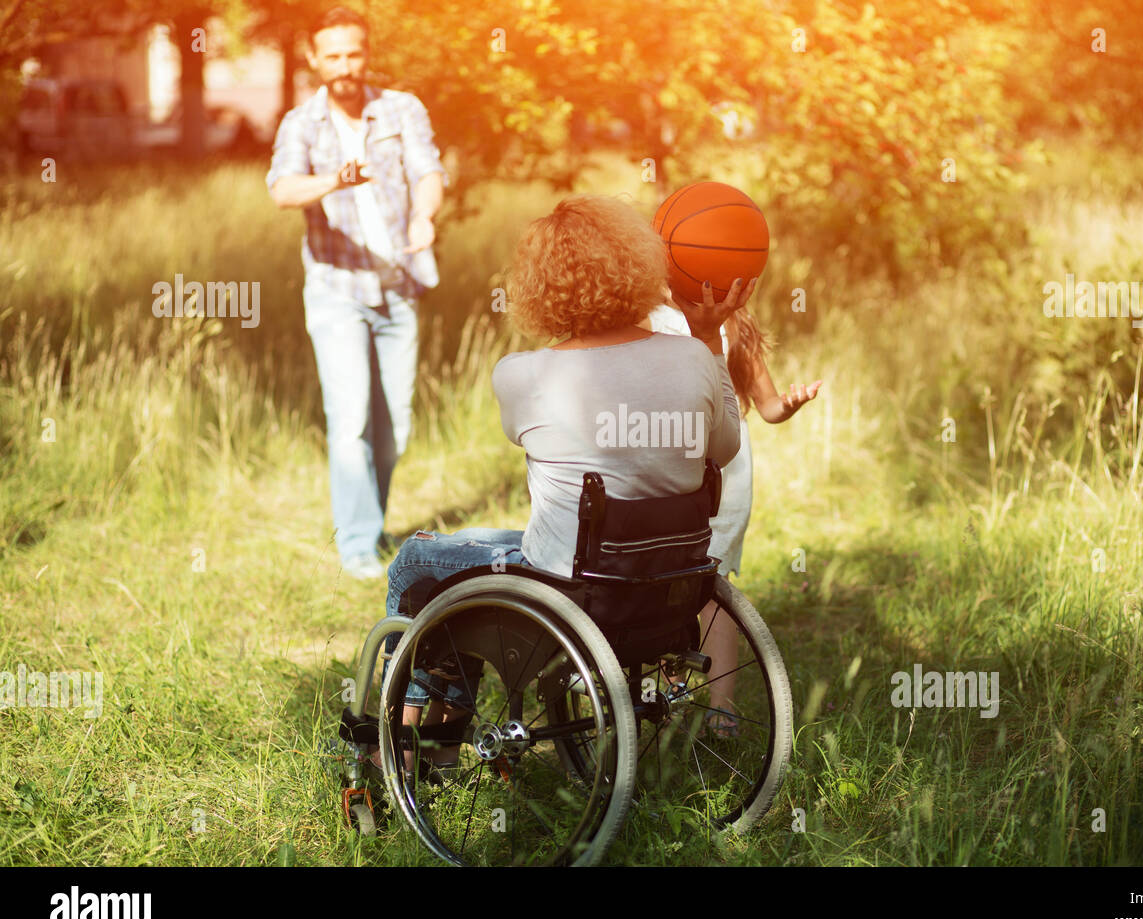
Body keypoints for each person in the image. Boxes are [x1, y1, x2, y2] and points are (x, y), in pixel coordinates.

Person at [379, 194, 753, 774]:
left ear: (539, 287)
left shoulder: (523, 375)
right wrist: (708, 342)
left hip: (570, 589)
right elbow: (725, 449)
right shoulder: (694, 359)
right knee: (469, 559)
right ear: (641, 270)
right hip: (671, 587)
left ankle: (412, 751)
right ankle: (438, 746)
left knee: (415, 563)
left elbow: (523, 436)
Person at [266, 6, 449, 579]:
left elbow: (428, 173)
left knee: (394, 424)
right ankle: (357, 548)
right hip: (336, 290)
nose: (345, 65)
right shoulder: (303, 123)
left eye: (355, 53)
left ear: (366, 53)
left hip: (399, 287)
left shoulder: (401, 108)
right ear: (315, 59)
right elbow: (282, 189)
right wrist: (336, 180)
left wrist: (424, 218)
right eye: (334, 55)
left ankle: (370, 525)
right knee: (351, 422)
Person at [642, 297, 821, 736]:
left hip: (725, 469)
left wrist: (788, 404)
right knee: (667, 583)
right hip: (670, 463)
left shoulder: (735, 323)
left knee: (711, 587)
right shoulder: (647, 315)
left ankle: (723, 712)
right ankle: (673, 696)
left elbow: (768, 405)